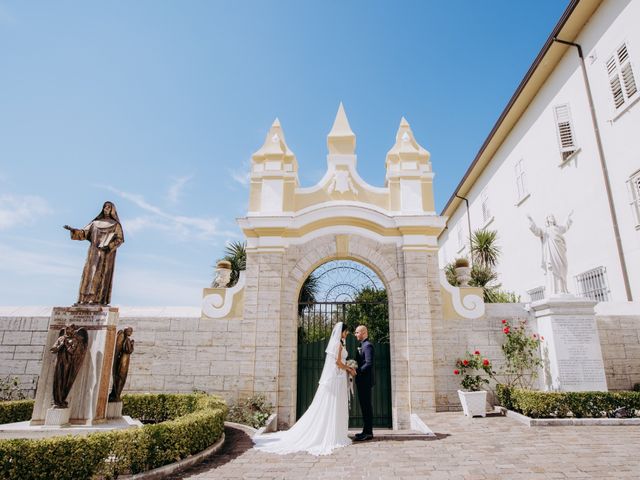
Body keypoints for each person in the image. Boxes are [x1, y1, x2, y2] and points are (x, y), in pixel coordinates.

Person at [253, 322, 356, 456]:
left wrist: (347, 367)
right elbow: (337, 362)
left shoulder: (339, 345)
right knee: (333, 405)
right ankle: (332, 433)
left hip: (338, 378)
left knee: (334, 405)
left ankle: (335, 431)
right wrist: (349, 368)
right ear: (341, 332)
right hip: (336, 379)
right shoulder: (338, 345)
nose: (347, 333)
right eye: (346, 331)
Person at [64, 201, 124, 305]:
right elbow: (84, 233)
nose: (106, 209)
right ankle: (84, 299)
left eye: (109, 207)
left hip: (105, 255)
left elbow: (120, 239)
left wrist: (109, 246)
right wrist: (74, 231)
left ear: (112, 210)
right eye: (105, 207)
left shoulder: (115, 225)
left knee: (100, 275)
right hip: (93, 253)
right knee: (89, 275)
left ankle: (97, 299)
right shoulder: (95, 223)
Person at [527, 212, 573, 296]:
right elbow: (536, 231)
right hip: (551, 253)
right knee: (553, 270)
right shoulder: (545, 229)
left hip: (560, 252)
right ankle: (555, 290)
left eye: (552, 216)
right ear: (547, 220)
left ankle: (563, 289)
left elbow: (565, 227)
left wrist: (568, 217)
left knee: (562, 268)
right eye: (549, 216)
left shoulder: (558, 228)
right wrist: (531, 220)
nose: (551, 217)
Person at [50, 324, 88, 408]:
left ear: (73, 330)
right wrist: (60, 345)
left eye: (69, 329)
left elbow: (72, 352)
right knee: (57, 381)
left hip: (67, 363)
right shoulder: (61, 338)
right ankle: (56, 400)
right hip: (58, 362)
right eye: (67, 329)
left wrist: (66, 344)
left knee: (64, 381)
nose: (67, 331)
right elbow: (53, 349)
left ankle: (61, 400)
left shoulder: (75, 340)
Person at [354, 325, 375, 441]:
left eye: (357, 332)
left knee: (366, 407)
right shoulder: (362, 345)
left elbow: (368, 363)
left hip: (365, 381)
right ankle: (365, 431)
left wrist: (356, 371)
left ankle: (368, 432)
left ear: (363, 332)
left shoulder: (367, 346)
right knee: (364, 406)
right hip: (361, 381)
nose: (355, 334)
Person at [108, 327, 135, 403]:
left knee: (122, 377)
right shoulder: (125, 339)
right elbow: (128, 350)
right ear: (126, 331)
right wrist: (132, 344)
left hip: (125, 360)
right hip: (123, 361)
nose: (130, 332)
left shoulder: (126, 339)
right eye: (129, 331)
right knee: (121, 377)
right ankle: (116, 394)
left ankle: (116, 394)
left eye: (131, 331)